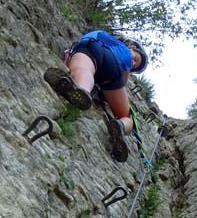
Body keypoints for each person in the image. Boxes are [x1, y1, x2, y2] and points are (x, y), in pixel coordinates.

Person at [44, 30, 148, 162]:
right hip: (112, 66)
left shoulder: (102, 34)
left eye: (134, 66)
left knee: (82, 71)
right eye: (135, 59)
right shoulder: (125, 52)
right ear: (132, 47)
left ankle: (82, 89)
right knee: (127, 116)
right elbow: (123, 81)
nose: (132, 63)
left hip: (89, 48)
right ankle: (121, 125)